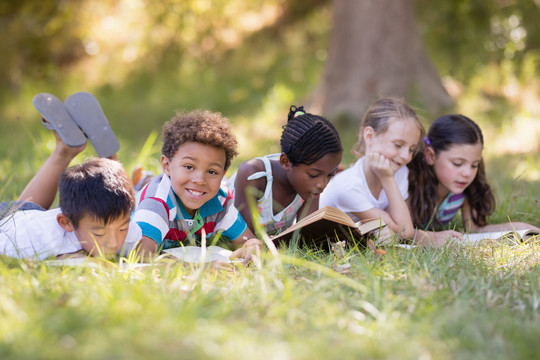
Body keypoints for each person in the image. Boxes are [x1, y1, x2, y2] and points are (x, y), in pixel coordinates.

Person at [0, 93, 140, 259]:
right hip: (8, 223)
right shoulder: (36, 244)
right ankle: (87, 154)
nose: (114, 243)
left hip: (33, 218)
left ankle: (71, 151)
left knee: (27, 208)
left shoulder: (119, 222)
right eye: (100, 234)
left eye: (123, 229)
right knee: (19, 211)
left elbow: (147, 250)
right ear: (66, 223)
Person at [320, 97, 461, 244]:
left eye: (412, 149)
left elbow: (400, 226)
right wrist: (387, 179)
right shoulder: (349, 187)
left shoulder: (400, 173)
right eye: (398, 145)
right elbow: (405, 231)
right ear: (369, 136)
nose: (406, 156)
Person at [132, 110, 262, 264]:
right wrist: (200, 269)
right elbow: (142, 257)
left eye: (212, 171)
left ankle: (143, 180)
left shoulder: (219, 201)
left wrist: (253, 247)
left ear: (223, 174)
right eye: (189, 167)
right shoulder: (156, 203)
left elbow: (247, 240)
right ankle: (139, 182)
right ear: (166, 165)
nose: (200, 180)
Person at [407, 114, 540, 238]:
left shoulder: (462, 190)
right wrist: (432, 238)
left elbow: (475, 229)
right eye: (458, 163)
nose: (468, 173)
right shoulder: (411, 182)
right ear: (430, 156)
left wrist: (520, 228)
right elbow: (401, 230)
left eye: (474, 165)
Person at [227, 105, 343, 236]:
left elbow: (307, 238)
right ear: (286, 162)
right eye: (314, 174)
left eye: (330, 175)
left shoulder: (309, 188)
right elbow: (244, 239)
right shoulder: (254, 173)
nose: (323, 184)